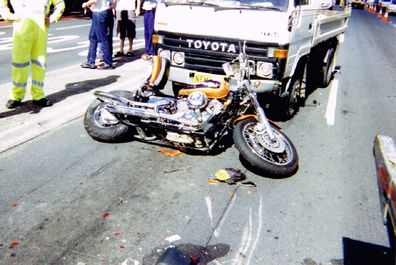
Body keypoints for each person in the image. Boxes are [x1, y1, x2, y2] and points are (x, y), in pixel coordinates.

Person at [0, 0, 65, 109]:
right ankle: (16, 96)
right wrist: (7, 15)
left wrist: (52, 18)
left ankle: (38, 96)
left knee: (40, 63)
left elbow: (60, 3)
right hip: (21, 28)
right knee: (19, 64)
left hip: (41, 29)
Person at [81, 0, 116, 70]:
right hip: (104, 12)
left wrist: (86, 4)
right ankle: (90, 61)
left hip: (99, 13)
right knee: (93, 37)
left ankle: (108, 62)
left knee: (103, 38)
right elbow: (114, 2)